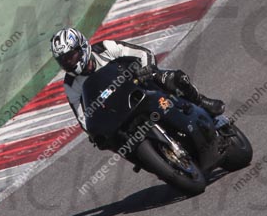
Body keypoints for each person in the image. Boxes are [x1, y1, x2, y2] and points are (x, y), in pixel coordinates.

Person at [50, 27, 225, 153]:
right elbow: (82, 115)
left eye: (70, 56)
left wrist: (147, 69)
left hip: (140, 84)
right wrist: (94, 133)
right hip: (117, 110)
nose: (68, 63)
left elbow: (143, 53)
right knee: (112, 142)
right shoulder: (71, 84)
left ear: (82, 47)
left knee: (177, 79)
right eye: (63, 61)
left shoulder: (105, 48)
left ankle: (201, 102)